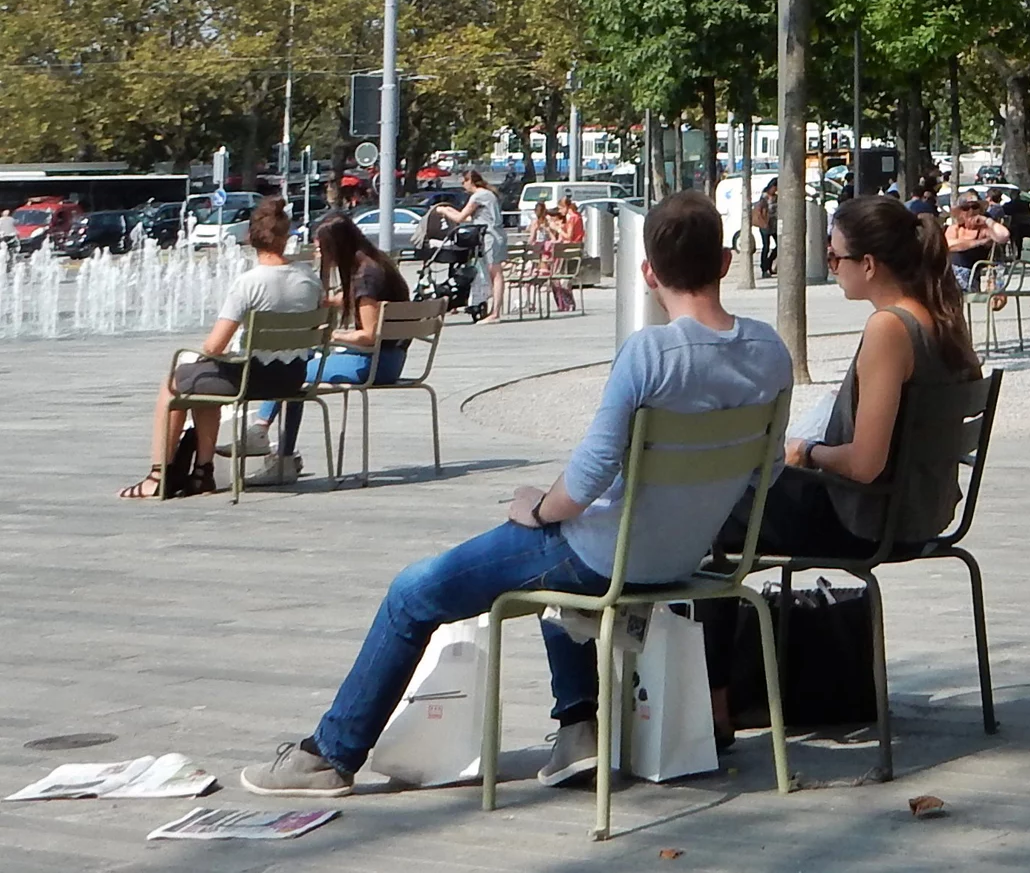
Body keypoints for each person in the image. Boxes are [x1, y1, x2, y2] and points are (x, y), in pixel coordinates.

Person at [237, 193, 793, 798]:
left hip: (605, 555)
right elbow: (764, 474)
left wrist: (535, 506)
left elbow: (584, 484)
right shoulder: (769, 351)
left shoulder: (650, 353)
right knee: (551, 574)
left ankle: (330, 756)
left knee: (413, 594)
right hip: (686, 559)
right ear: (723, 261)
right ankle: (579, 730)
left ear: (648, 272)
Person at [698, 193, 980, 730]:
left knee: (708, 508)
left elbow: (866, 464)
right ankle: (724, 693)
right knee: (727, 504)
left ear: (868, 265)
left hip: (867, 518)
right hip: (924, 513)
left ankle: (713, 706)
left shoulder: (889, 329)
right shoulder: (944, 319)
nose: (831, 267)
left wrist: (805, 451)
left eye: (835, 258)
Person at [120, 199, 322, 500]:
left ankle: (159, 475)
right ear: (286, 236)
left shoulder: (249, 283)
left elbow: (215, 345)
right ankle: (201, 473)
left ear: (250, 238)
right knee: (204, 378)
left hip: (250, 378)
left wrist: (207, 354)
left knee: (176, 381)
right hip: (293, 376)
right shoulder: (309, 278)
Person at [230, 213, 413, 488]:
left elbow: (368, 336)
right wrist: (320, 299)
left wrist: (330, 335)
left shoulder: (366, 277)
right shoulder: (374, 264)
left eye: (320, 245)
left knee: (295, 367)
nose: (316, 249)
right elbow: (354, 301)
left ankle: (269, 440)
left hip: (376, 363)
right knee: (300, 364)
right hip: (389, 359)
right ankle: (275, 445)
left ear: (336, 245)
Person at [433, 170, 507, 322]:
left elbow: (460, 218)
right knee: (496, 273)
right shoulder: (488, 194)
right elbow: (469, 218)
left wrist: (443, 211)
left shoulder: (478, 196)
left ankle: (495, 313)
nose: (463, 186)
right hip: (497, 234)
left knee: (495, 273)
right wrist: (449, 210)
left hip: (490, 236)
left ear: (470, 181)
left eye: (463, 182)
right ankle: (494, 310)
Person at [944, 188, 1011, 305]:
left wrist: (987, 220)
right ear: (960, 212)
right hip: (950, 278)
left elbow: (1004, 236)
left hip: (969, 278)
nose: (970, 211)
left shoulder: (986, 230)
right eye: (965, 208)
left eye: (974, 207)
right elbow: (947, 245)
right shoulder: (954, 229)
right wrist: (978, 243)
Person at [753, 181, 777, 277]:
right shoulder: (764, 198)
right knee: (766, 246)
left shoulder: (776, 197)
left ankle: (769, 264)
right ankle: (764, 268)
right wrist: (763, 223)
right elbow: (759, 212)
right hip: (765, 225)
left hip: (774, 225)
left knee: (778, 246)